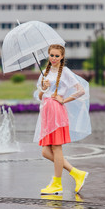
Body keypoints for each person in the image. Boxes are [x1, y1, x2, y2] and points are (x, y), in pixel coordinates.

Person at [33, 44, 91, 195]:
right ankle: (77, 173)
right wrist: (43, 88)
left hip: (57, 112)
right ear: (48, 55)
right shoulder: (44, 73)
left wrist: (64, 100)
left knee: (56, 148)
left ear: (62, 57)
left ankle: (57, 184)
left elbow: (81, 90)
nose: (53, 58)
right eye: (51, 55)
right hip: (46, 112)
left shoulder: (64, 71)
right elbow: (40, 97)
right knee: (46, 151)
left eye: (57, 56)